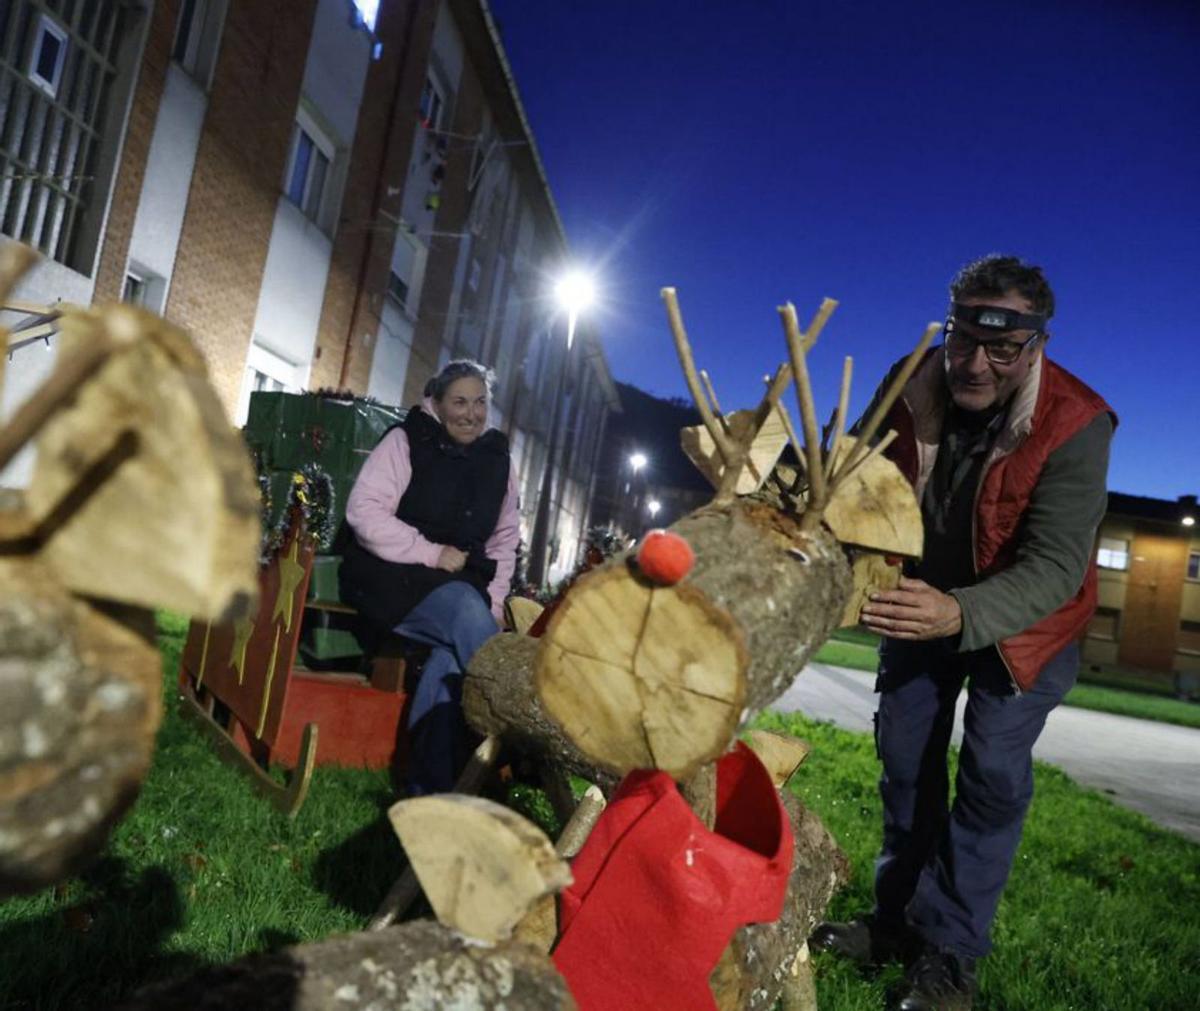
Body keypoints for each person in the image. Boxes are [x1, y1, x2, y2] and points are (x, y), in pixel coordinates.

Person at [811, 255, 1115, 1010]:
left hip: (1026, 625)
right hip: (921, 602)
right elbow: (853, 475)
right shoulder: (910, 382)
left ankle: (948, 956)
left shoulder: (1078, 422)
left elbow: (1054, 565)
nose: (975, 364)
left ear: (1035, 345)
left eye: (1001, 348)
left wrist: (965, 612)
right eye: (963, 339)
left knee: (991, 779)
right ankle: (892, 923)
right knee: (906, 764)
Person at [339, 359, 519, 796]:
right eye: (459, 401)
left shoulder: (497, 459)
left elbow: (504, 541)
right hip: (387, 575)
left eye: (480, 403)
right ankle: (519, 739)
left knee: (451, 656)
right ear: (436, 403)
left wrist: (494, 605)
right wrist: (430, 552)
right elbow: (363, 512)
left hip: (460, 588)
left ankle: (428, 787)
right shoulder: (407, 440)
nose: (471, 413)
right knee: (462, 612)